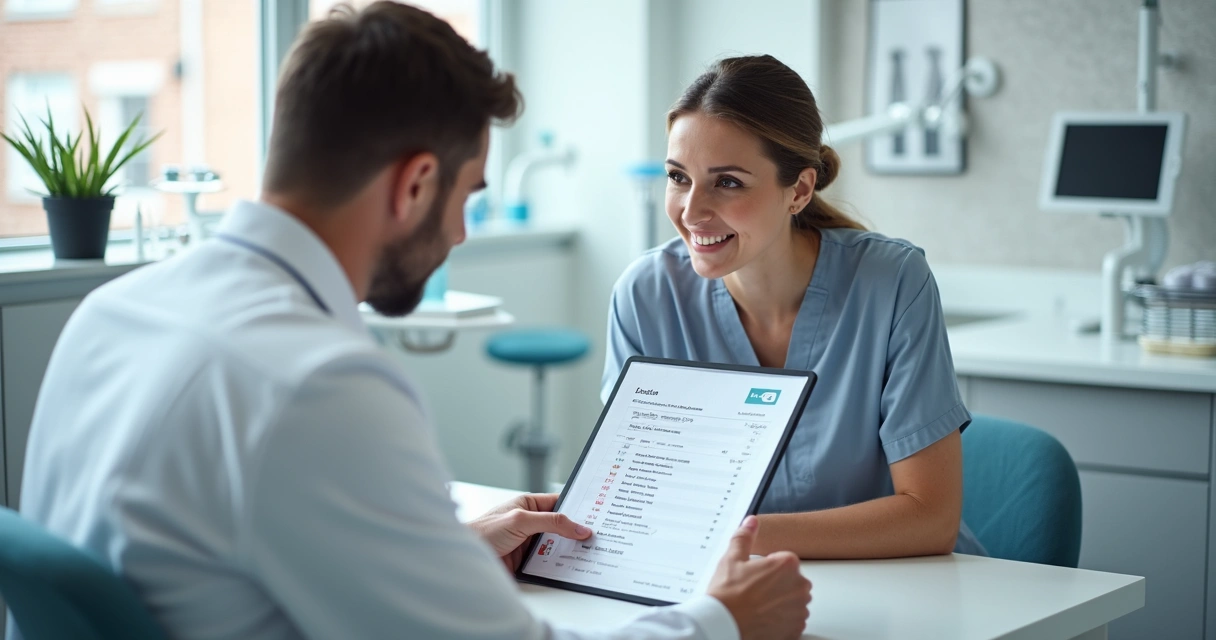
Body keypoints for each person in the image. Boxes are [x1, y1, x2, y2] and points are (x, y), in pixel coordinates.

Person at [9, 6, 811, 640]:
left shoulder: (113, 313)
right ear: (416, 183)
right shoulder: (319, 384)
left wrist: (445, 557)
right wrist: (723, 621)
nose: (460, 233)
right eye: (467, 198)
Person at [602, 55, 986, 559]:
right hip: (725, 585)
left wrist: (733, 538)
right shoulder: (646, 296)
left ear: (799, 190)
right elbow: (633, 495)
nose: (691, 211)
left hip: (901, 581)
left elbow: (930, 517)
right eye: (678, 177)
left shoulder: (892, 283)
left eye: (728, 182)